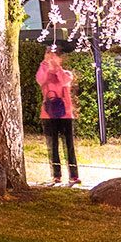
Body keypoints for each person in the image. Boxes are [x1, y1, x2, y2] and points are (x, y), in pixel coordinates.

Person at [34, 44, 81, 187]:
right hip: (48, 115)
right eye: (49, 54)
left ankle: (73, 176)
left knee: (69, 145)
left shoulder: (66, 73)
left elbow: (64, 81)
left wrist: (56, 68)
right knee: (52, 146)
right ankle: (56, 175)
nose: (52, 57)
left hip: (65, 115)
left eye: (55, 55)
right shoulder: (44, 73)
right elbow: (40, 79)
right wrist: (45, 64)